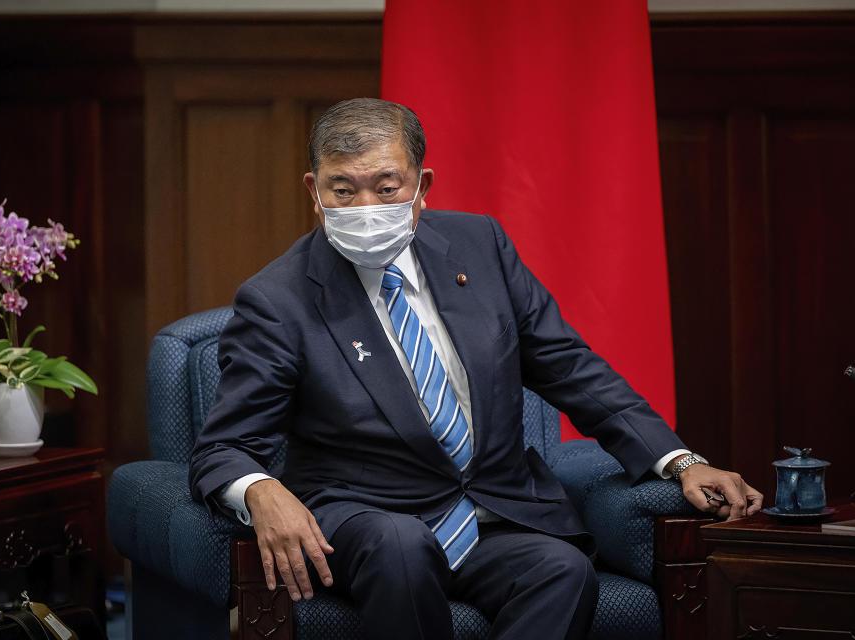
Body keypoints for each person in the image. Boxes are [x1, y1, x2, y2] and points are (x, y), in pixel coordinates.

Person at [189, 97, 762, 640]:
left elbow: (567, 365)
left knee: (561, 569)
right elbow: (224, 447)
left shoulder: (480, 244)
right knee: (401, 543)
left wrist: (680, 459)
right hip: (368, 518)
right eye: (343, 190)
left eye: (387, 188)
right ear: (314, 192)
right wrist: (261, 488)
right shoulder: (278, 298)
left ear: (422, 186)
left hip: (493, 512)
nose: (366, 209)